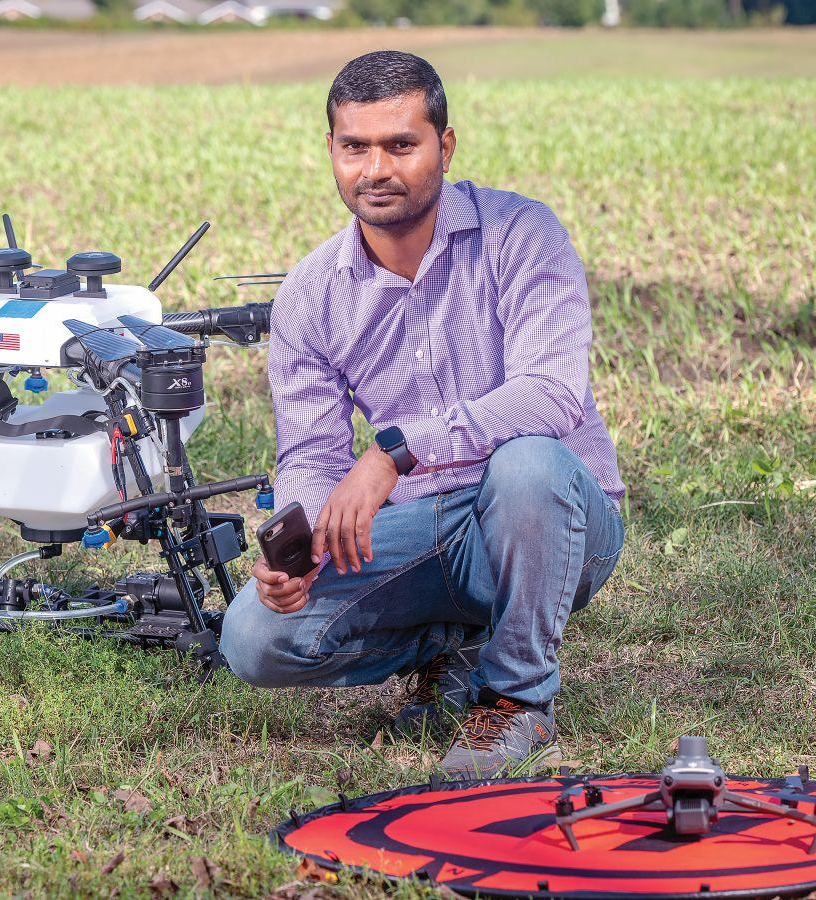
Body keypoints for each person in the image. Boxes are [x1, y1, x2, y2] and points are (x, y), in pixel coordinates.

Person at [219, 50, 626, 778]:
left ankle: (515, 696)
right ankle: (457, 646)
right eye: (356, 147)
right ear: (332, 151)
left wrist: (392, 453)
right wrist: (302, 544)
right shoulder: (311, 295)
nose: (376, 169)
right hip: (425, 529)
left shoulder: (523, 233)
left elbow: (551, 393)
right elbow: (311, 456)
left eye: (401, 145)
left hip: (554, 518)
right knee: (253, 637)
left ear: (445, 146)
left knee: (526, 463)